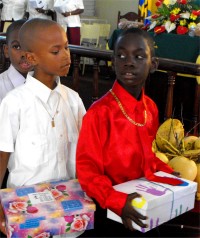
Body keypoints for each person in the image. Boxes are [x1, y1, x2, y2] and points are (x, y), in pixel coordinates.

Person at [76, 28, 182, 237]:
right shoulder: (99, 114)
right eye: (121, 55)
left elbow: (146, 157)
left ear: (154, 64)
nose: (129, 61)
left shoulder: (150, 108)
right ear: (112, 61)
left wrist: (166, 172)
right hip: (111, 210)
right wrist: (117, 201)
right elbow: (88, 171)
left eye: (139, 56)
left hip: (143, 204)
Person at [0, 18, 86, 236]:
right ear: (31, 58)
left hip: (68, 210)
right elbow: (2, 156)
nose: (66, 55)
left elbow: (85, 153)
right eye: (55, 51)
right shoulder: (14, 102)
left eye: (66, 47)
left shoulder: (73, 100)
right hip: (27, 210)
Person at [0, 19, 33, 104]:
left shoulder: (47, 84)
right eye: (17, 47)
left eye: (30, 46)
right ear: (6, 50)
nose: (24, 54)